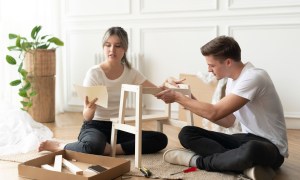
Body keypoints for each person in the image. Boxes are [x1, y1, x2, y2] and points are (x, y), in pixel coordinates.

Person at [156, 36, 288, 180]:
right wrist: (187, 99)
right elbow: (228, 121)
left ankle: (197, 161)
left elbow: (215, 112)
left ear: (228, 62)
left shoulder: (254, 77)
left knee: (251, 150)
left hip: (270, 147)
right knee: (187, 133)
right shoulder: (233, 81)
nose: (209, 69)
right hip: (245, 139)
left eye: (212, 65)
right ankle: (240, 164)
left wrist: (177, 97)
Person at [39, 26, 168, 156]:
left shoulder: (131, 73)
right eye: (108, 45)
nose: (112, 50)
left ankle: (109, 149)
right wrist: (90, 110)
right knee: (94, 145)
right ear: (103, 47)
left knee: (160, 139)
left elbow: (157, 91)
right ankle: (60, 145)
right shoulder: (94, 73)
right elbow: (87, 116)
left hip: (119, 128)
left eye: (118, 46)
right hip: (94, 126)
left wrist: (168, 82)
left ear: (125, 48)